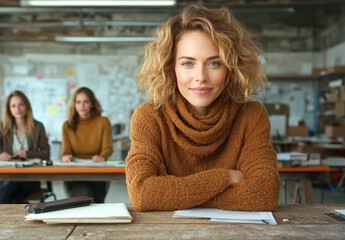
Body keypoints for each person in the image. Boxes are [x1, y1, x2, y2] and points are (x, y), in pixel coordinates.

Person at [126, 4, 280, 212]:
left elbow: (263, 195)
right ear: (171, 68)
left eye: (214, 63)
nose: (201, 77)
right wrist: (225, 177)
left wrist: (173, 194)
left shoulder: (251, 116)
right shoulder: (150, 117)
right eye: (188, 63)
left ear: (231, 68)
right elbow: (143, 194)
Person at [0, 90, 50, 204]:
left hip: (30, 179)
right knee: (15, 199)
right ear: (9, 109)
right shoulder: (3, 126)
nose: (17, 109)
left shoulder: (38, 127)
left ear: (27, 106)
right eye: (13, 106)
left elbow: (46, 153)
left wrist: (29, 154)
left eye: (21, 105)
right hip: (7, 175)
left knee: (9, 185)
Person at [61, 87, 113, 203]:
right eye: (78, 102)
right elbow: (65, 151)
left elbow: (107, 148)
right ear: (74, 105)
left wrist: (102, 157)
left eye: (86, 102)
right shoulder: (67, 125)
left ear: (92, 104)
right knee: (82, 195)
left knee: (97, 203)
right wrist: (66, 157)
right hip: (75, 173)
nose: (82, 106)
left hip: (97, 171)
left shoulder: (103, 122)